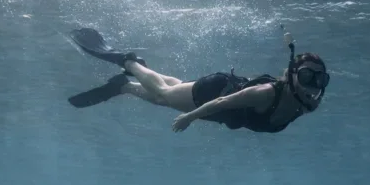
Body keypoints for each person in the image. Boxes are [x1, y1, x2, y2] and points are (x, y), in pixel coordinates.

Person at [67, 28, 329, 134]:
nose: (311, 85)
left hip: (222, 111)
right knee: (163, 94)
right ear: (292, 74)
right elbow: (224, 101)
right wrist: (190, 117)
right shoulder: (265, 94)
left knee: (168, 92)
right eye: (307, 76)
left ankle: (124, 86)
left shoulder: (304, 104)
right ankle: (128, 62)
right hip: (214, 91)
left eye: (318, 80)